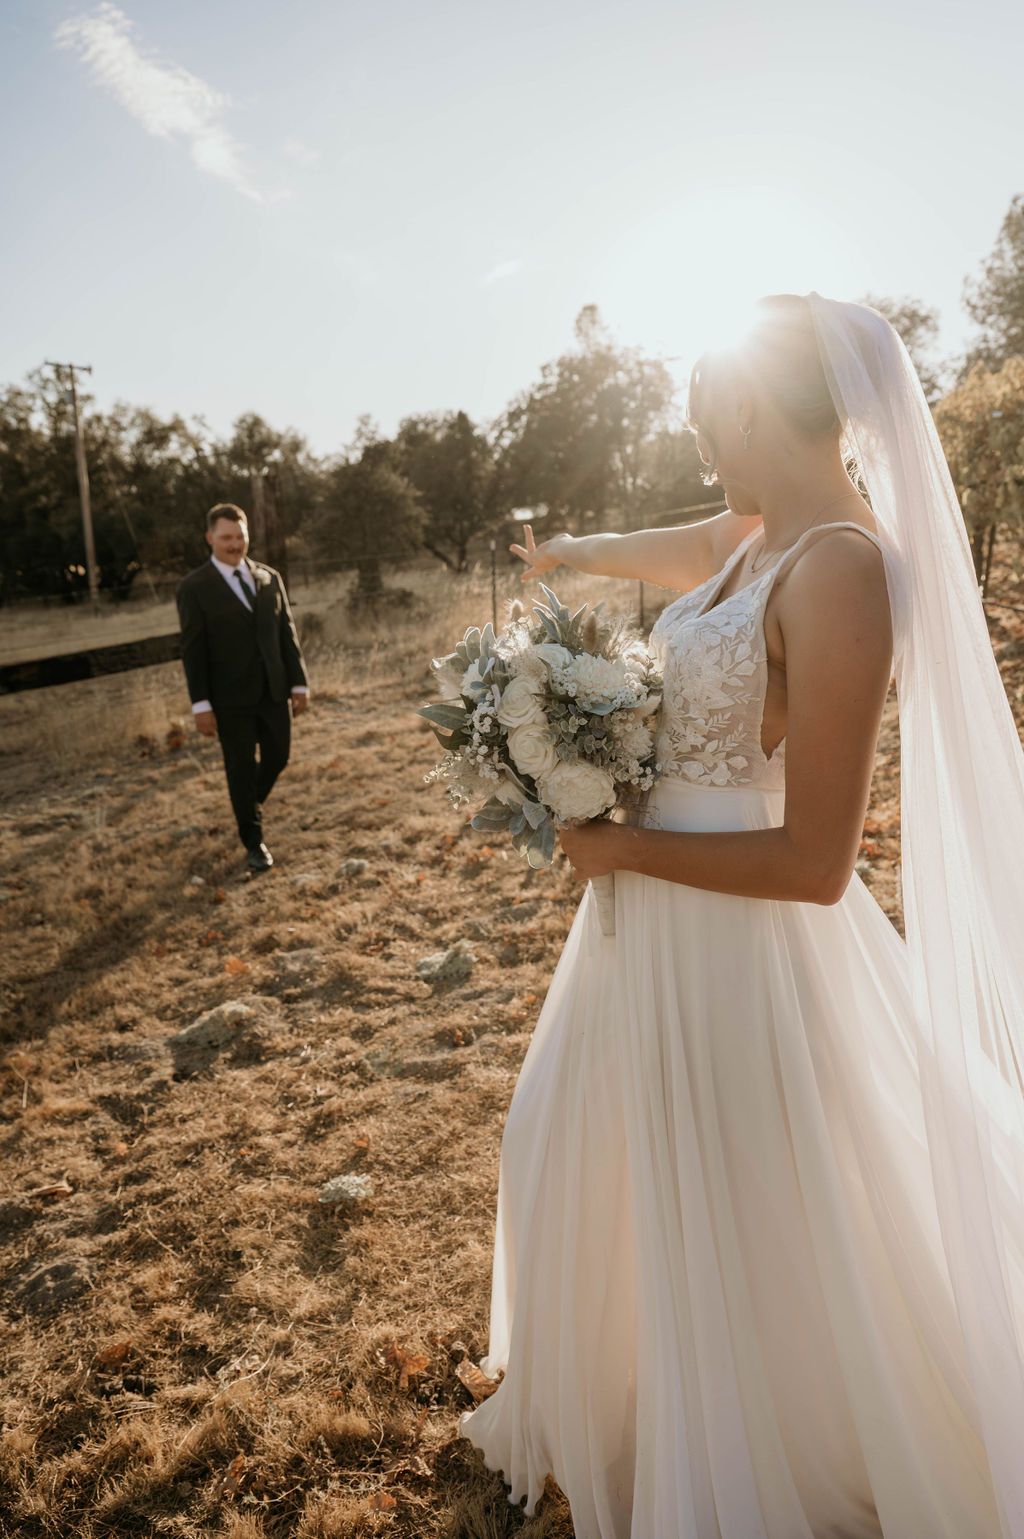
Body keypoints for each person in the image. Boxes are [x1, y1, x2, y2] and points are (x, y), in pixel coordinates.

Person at [459, 294, 1024, 1536]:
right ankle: (643, 1390)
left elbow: (820, 862)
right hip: (642, 915)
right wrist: (568, 555)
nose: (707, 447)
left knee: (756, 1195)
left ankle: (762, 1436)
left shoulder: (844, 570)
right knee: (570, 1136)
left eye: (715, 419)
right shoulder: (757, 536)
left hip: (738, 934)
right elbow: (681, 544)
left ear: (765, 408)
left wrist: (623, 848)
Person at [176, 503, 309, 873]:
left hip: (274, 691)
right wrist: (200, 704)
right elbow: (193, 650)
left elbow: (287, 635)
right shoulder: (194, 587)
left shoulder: (269, 577)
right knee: (239, 768)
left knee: (278, 756)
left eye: (240, 536)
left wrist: (299, 683)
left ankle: (248, 807)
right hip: (228, 699)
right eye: (226, 538)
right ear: (210, 539)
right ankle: (253, 842)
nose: (235, 544)